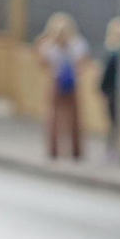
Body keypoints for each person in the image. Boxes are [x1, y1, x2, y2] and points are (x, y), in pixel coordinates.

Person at [35, 12, 89, 161]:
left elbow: (83, 62)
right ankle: (59, 151)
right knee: (56, 118)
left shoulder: (73, 45)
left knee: (71, 119)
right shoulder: (55, 45)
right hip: (58, 84)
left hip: (67, 83)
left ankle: (72, 151)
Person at [98, 16, 120, 162]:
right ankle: (112, 150)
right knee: (114, 122)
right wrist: (104, 90)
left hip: (119, 93)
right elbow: (107, 75)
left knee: (117, 122)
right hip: (114, 93)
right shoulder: (115, 54)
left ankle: (116, 150)